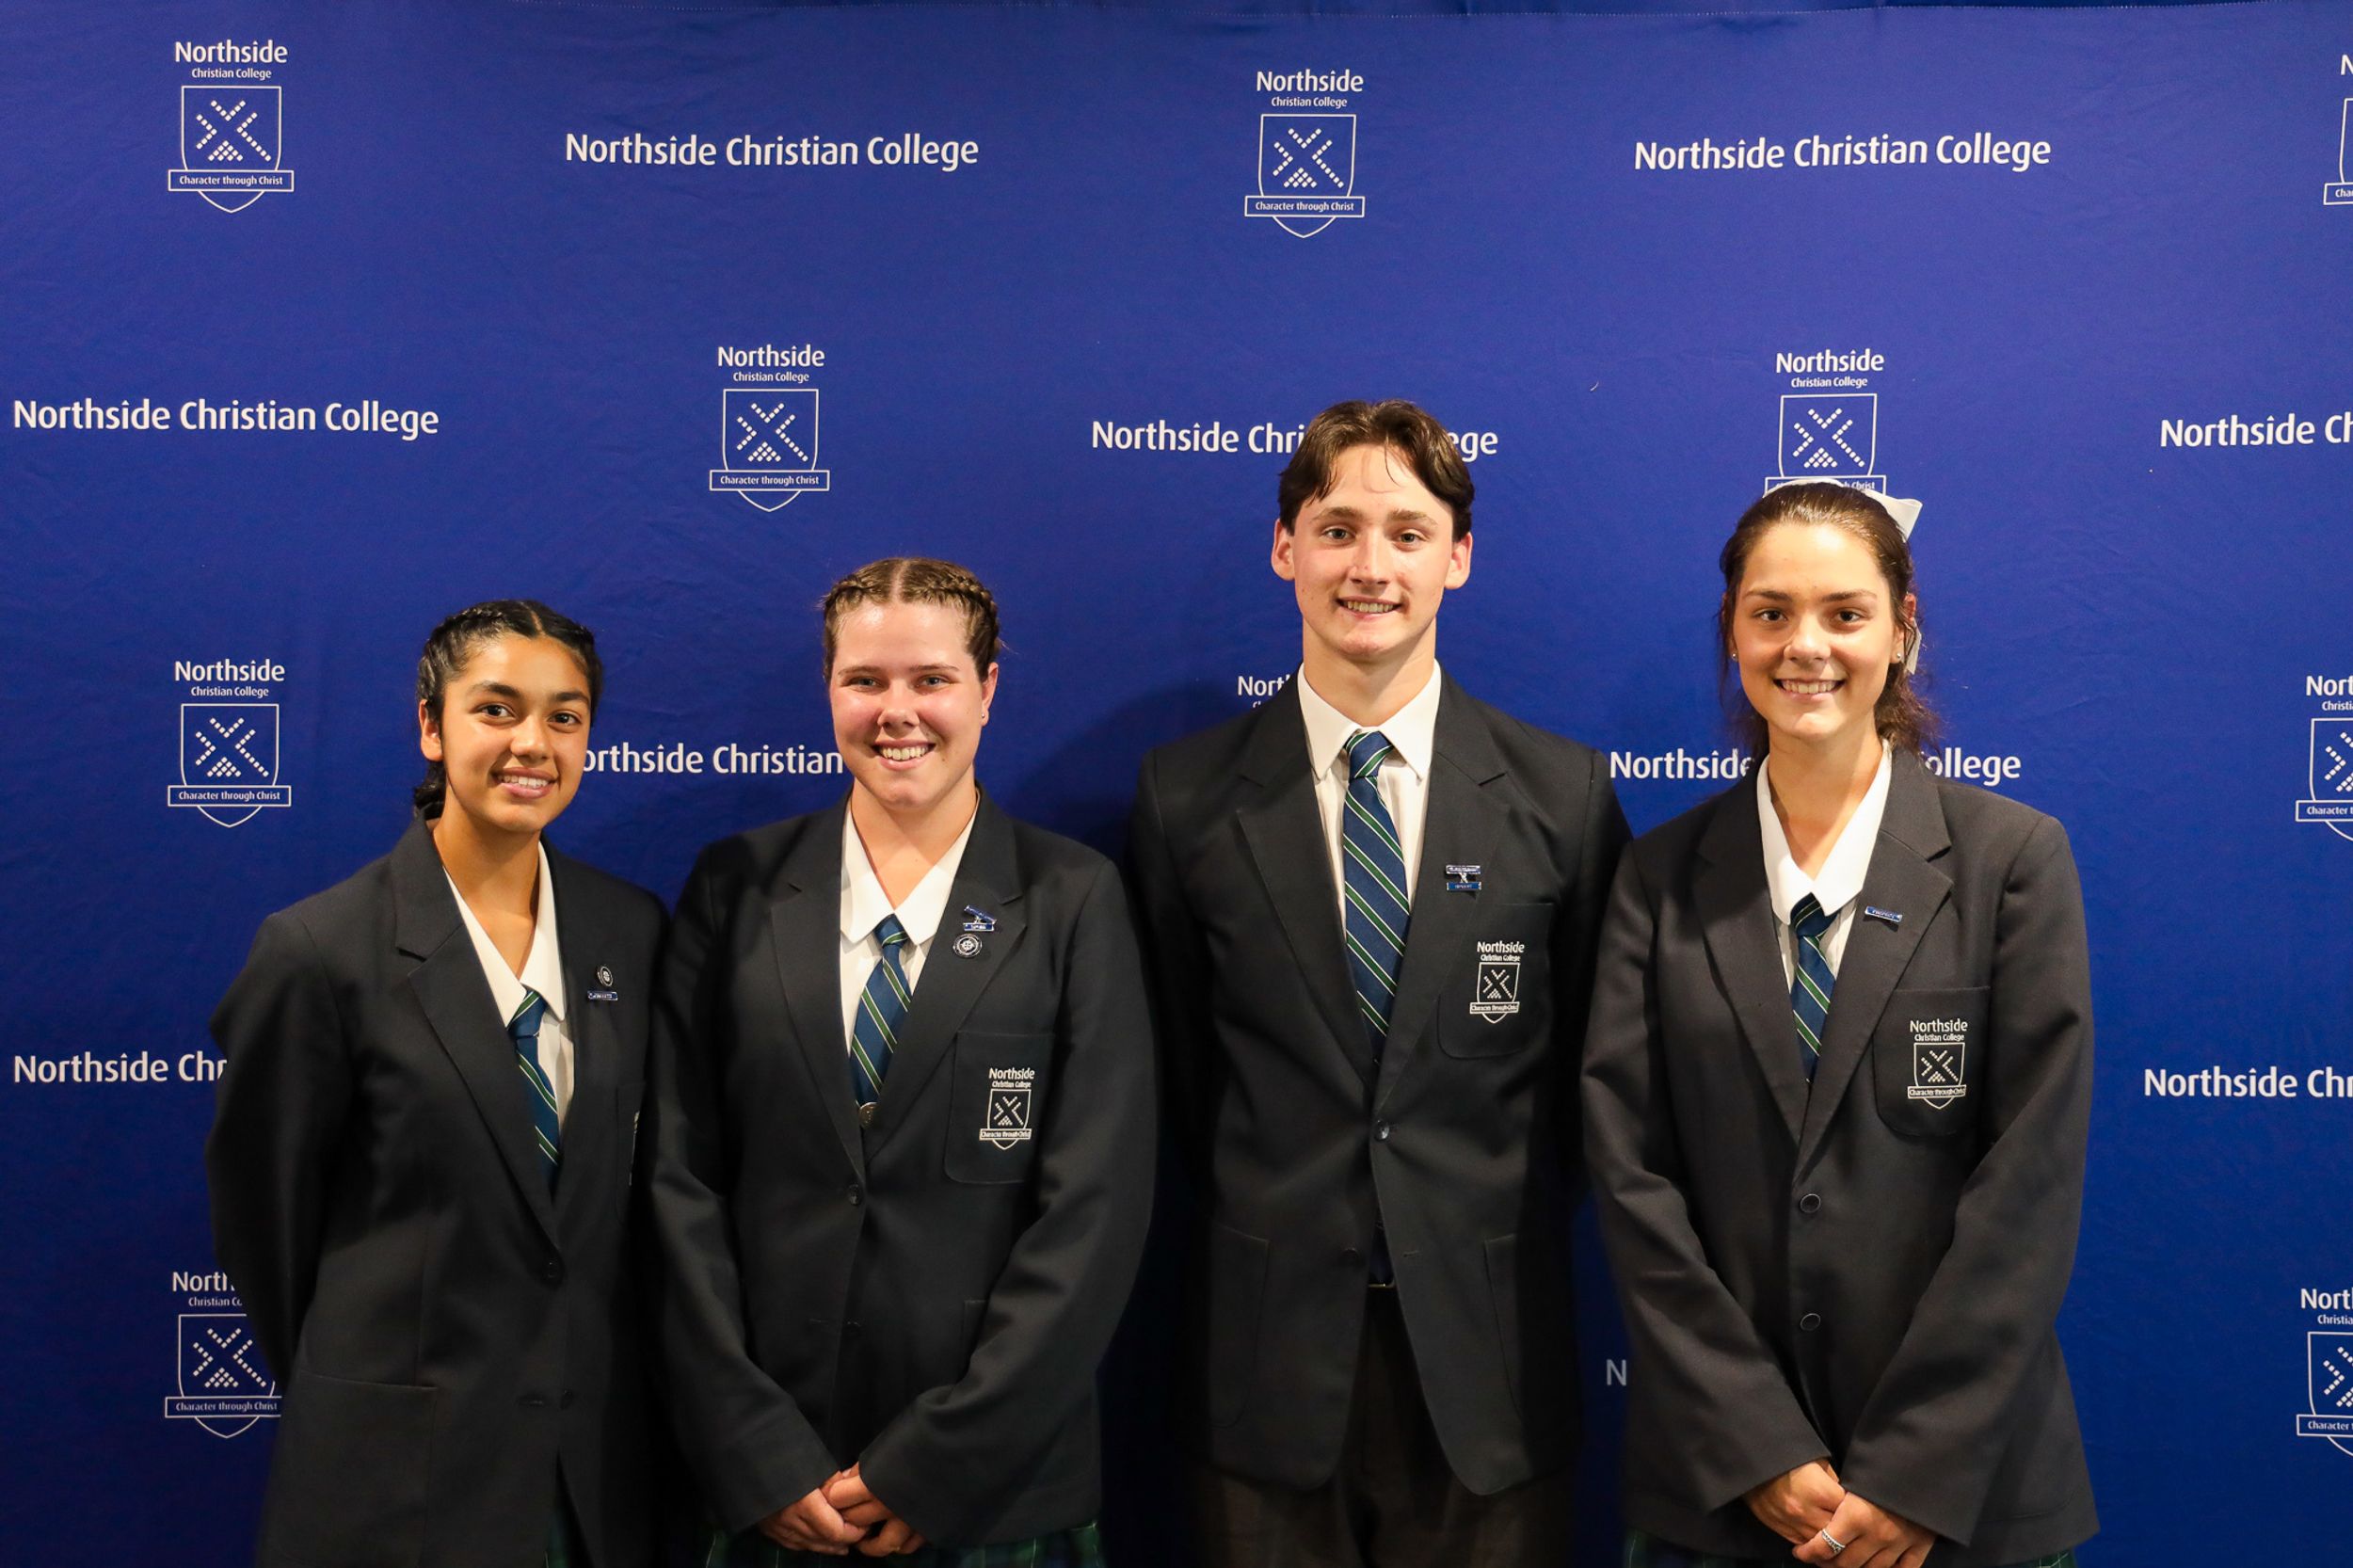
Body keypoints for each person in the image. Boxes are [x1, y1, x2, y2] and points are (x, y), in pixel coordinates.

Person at [1128, 399, 1628, 1566]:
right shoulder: (1182, 798)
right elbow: (1178, 1080)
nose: (1369, 566)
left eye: (1407, 533)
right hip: (1261, 1371)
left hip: (1489, 1374)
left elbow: (1589, 1086)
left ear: (1458, 556)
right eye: (1337, 528)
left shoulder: (1560, 796)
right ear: (1284, 548)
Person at [1583, 482, 2098, 1568]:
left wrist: (1914, 1468)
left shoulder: (2012, 863)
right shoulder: (1659, 879)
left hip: (1964, 1499)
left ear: (1902, 628)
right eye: (1770, 612)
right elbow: (1632, 1180)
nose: (1805, 646)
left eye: (1844, 613)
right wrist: (1756, 1444)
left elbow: (2028, 1193)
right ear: (1732, 633)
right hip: (1723, 1497)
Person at [650, 557, 1155, 1564]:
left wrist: (941, 1465)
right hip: (776, 1481)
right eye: (864, 680)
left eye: (931, 679)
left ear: (987, 689)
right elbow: (677, 1179)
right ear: (829, 689)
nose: (897, 712)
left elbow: (1093, 1214)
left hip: (994, 1488)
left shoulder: (1072, 898)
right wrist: (756, 1450)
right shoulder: (734, 887)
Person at [207, 600, 666, 1568]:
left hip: (588, 1484)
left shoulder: (631, 930)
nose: (532, 743)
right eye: (496, 709)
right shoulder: (320, 951)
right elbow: (267, 1232)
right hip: (390, 1493)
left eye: (565, 716)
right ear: (431, 725)